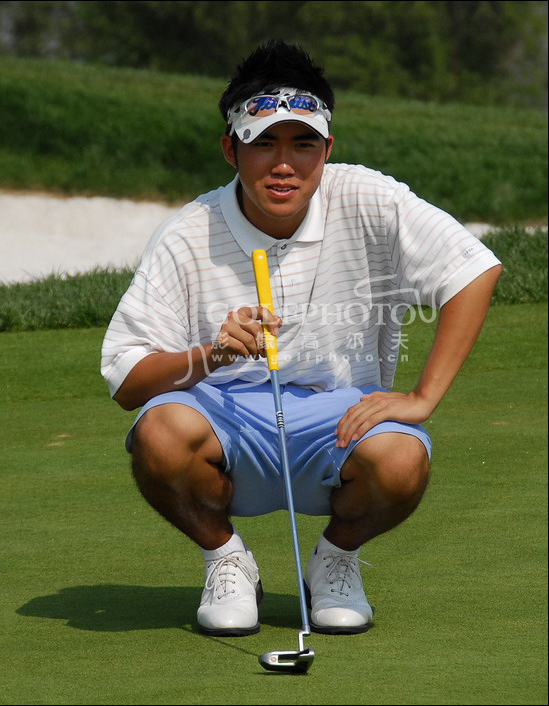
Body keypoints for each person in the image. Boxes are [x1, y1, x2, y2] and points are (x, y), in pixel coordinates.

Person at [101, 39, 501, 637]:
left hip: (340, 417)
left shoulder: (369, 197)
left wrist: (424, 398)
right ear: (231, 149)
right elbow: (128, 384)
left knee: (402, 458)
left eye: (303, 143)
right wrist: (213, 354)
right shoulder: (187, 232)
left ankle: (335, 561)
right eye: (263, 143)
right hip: (226, 417)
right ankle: (226, 560)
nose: (283, 164)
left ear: (327, 149)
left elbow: (473, 269)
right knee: (159, 433)